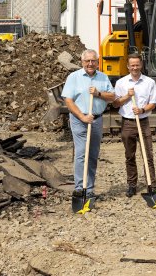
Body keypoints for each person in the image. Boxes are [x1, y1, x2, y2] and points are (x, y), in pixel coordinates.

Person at [61, 49, 115, 203]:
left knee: (92, 154)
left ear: (97, 62)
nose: (90, 64)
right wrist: (82, 117)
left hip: (96, 119)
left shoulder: (103, 77)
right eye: (87, 61)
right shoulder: (74, 77)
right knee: (81, 153)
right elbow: (68, 100)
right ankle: (79, 189)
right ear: (82, 62)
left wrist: (99, 94)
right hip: (79, 119)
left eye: (93, 61)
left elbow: (112, 96)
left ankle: (89, 189)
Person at [111, 54, 156, 197]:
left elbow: (154, 103)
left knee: (148, 155)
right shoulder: (121, 83)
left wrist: (142, 109)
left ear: (141, 65)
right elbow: (115, 103)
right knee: (129, 155)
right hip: (127, 122)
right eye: (132, 65)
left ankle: (151, 185)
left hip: (143, 122)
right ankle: (132, 185)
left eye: (137, 65)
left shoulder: (149, 82)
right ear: (128, 66)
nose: (134, 67)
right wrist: (127, 96)